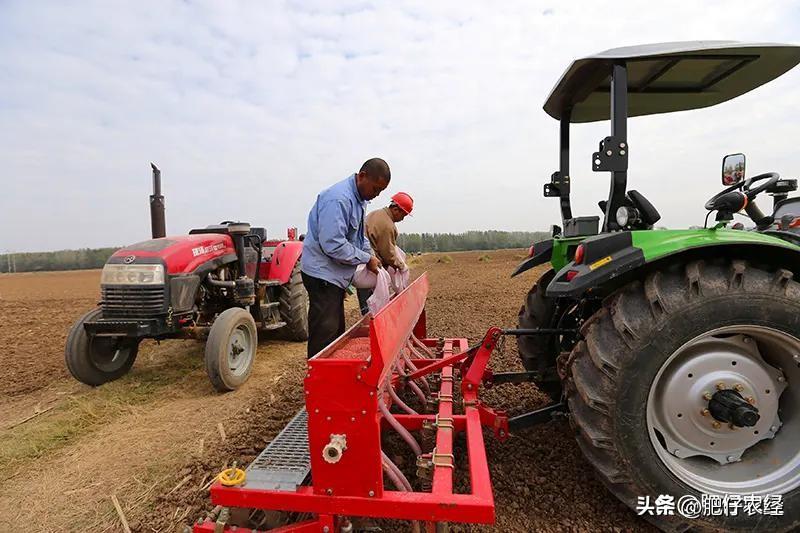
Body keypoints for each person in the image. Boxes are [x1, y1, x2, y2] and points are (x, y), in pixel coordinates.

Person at [301, 158, 390, 358]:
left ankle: (333, 376)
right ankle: (319, 382)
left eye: (380, 192)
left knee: (335, 332)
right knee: (325, 332)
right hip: (321, 274)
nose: (375, 195)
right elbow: (333, 244)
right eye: (375, 189)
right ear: (362, 176)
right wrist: (366, 259)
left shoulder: (360, 200)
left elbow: (359, 238)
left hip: (334, 275)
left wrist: (371, 255)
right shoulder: (339, 199)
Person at [357, 192, 414, 315]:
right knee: (373, 310)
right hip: (370, 269)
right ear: (395, 209)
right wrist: (401, 266)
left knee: (366, 307)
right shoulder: (387, 224)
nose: (402, 219)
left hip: (360, 267)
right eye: (403, 215)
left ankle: (368, 322)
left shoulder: (375, 214)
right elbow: (388, 253)